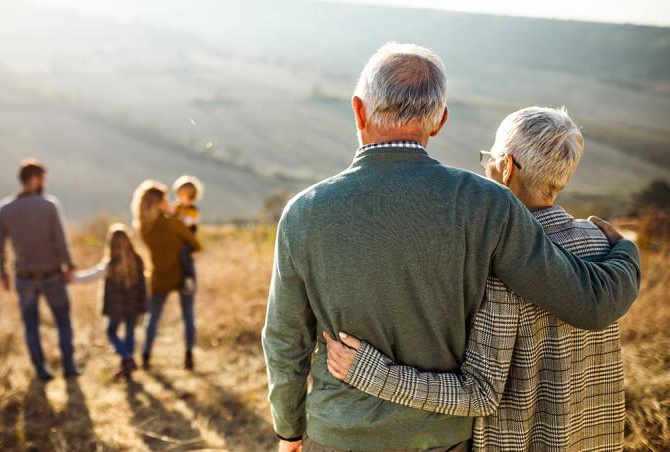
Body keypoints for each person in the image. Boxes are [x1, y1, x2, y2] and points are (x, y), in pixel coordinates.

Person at [261, 43, 641, 452]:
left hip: (337, 433)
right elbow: (585, 301)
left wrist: (289, 430)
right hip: (440, 439)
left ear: (358, 109)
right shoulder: (486, 203)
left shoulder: (304, 212)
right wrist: (625, 253)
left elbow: (285, 341)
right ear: (440, 121)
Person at [324, 106, 629, 451]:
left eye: (490, 158)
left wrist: (373, 374)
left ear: (507, 167)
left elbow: (481, 394)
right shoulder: (601, 242)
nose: (485, 167)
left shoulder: (499, 263)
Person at [0, 158, 81, 381]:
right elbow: (60, 241)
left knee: (30, 325)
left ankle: (41, 370)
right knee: (63, 320)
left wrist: (2, 273)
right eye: (43, 178)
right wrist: (69, 266)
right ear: (34, 179)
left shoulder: (5, 209)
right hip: (51, 274)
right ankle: (69, 366)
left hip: (23, 277)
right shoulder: (49, 205)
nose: (44, 183)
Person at [131, 180, 202, 371]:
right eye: (164, 199)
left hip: (159, 275)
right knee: (188, 316)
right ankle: (188, 357)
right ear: (158, 202)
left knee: (152, 318)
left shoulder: (143, 228)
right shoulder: (174, 224)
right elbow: (196, 244)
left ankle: (145, 356)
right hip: (183, 273)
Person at [74, 223, 148, 380]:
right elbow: (143, 286)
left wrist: (72, 278)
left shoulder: (110, 264)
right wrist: (143, 305)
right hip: (133, 305)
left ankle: (127, 360)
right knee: (129, 335)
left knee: (111, 332)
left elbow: (91, 275)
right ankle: (127, 362)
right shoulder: (137, 260)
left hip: (116, 307)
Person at [171, 175, 204, 294]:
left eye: (182, 195)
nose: (179, 198)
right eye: (178, 195)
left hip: (188, 240)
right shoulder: (177, 207)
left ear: (190, 197)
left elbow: (189, 222)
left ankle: (189, 277)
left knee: (185, 255)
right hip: (178, 240)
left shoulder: (193, 210)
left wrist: (178, 217)